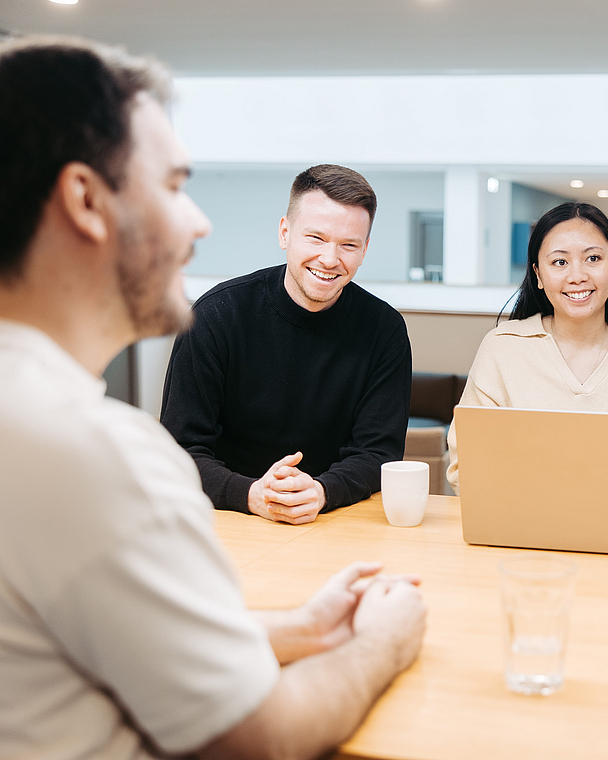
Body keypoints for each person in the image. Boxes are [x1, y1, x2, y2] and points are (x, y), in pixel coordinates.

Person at [0, 37, 425, 760]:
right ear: (84, 201)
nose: (198, 222)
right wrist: (383, 644)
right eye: (171, 186)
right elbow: (261, 736)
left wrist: (305, 627)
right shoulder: (94, 457)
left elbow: (119, 632)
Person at [161, 163, 412, 524]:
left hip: (333, 519)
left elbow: (378, 452)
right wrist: (251, 494)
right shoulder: (216, 316)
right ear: (285, 233)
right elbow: (179, 450)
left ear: (365, 249)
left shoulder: (384, 330)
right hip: (226, 516)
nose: (329, 259)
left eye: (348, 245)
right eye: (316, 238)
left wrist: (323, 491)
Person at [446, 201, 608, 503]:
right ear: (538, 275)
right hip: (520, 535)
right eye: (560, 262)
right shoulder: (501, 348)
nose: (577, 276)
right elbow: (468, 468)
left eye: (593, 258)